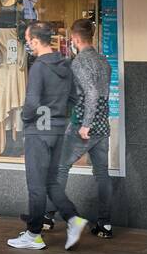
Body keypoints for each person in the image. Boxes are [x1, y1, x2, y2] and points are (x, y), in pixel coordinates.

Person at [8, 20, 82, 251]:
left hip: (38, 132)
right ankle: (73, 219)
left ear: (37, 41)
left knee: (36, 185)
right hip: (58, 130)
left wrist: (27, 119)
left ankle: (34, 234)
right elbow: (74, 97)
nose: (28, 44)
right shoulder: (66, 64)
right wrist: (60, 115)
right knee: (50, 182)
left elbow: (31, 103)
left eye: (29, 41)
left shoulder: (39, 66)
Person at [43, 19, 114, 238]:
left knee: (60, 169)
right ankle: (105, 224)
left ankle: (46, 217)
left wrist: (85, 125)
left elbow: (91, 93)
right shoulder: (103, 60)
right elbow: (101, 93)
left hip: (84, 124)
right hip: (103, 123)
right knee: (102, 173)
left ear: (75, 39)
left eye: (71, 39)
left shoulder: (79, 63)